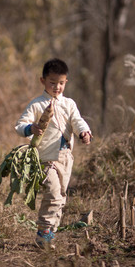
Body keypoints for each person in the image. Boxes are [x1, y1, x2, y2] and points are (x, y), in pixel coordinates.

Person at [15, 58, 92, 249]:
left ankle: (52, 230)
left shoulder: (69, 104)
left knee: (62, 194)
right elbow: (19, 125)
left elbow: (77, 120)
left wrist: (84, 132)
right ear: (43, 81)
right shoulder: (37, 104)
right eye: (52, 82)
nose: (56, 87)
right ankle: (44, 232)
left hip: (65, 156)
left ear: (66, 82)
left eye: (61, 83)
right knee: (53, 192)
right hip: (44, 158)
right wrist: (30, 128)